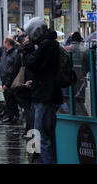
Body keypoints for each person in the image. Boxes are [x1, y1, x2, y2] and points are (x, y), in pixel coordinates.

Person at [22, 17, 63, 164]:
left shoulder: (46, 45)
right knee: (45, 135)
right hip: (46, 94)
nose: (27, 38)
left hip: (45, 97)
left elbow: (32, 63)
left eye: (28, 34)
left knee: (41, 136)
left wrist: (26, 50)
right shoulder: (49, 44)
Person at [0, 36, 21, 123]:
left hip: (10, 81)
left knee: (12, 98)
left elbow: (12, 70)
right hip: (4, 78)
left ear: (7, 43)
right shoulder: (5, 52)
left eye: (4, 42)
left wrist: (7, 83)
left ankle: (14, 115)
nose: (3, 44)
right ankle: (10, 115)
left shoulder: (14, 53)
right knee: (8, 99)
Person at [67, 32, 90, 115]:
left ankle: (71, 113)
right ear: (80, 40)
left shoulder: (67, 49)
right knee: (80, 99)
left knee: (69, 97)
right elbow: (89, 65)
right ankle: (81, 114)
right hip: (81, 78)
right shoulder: (85, 50)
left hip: (68, 77)